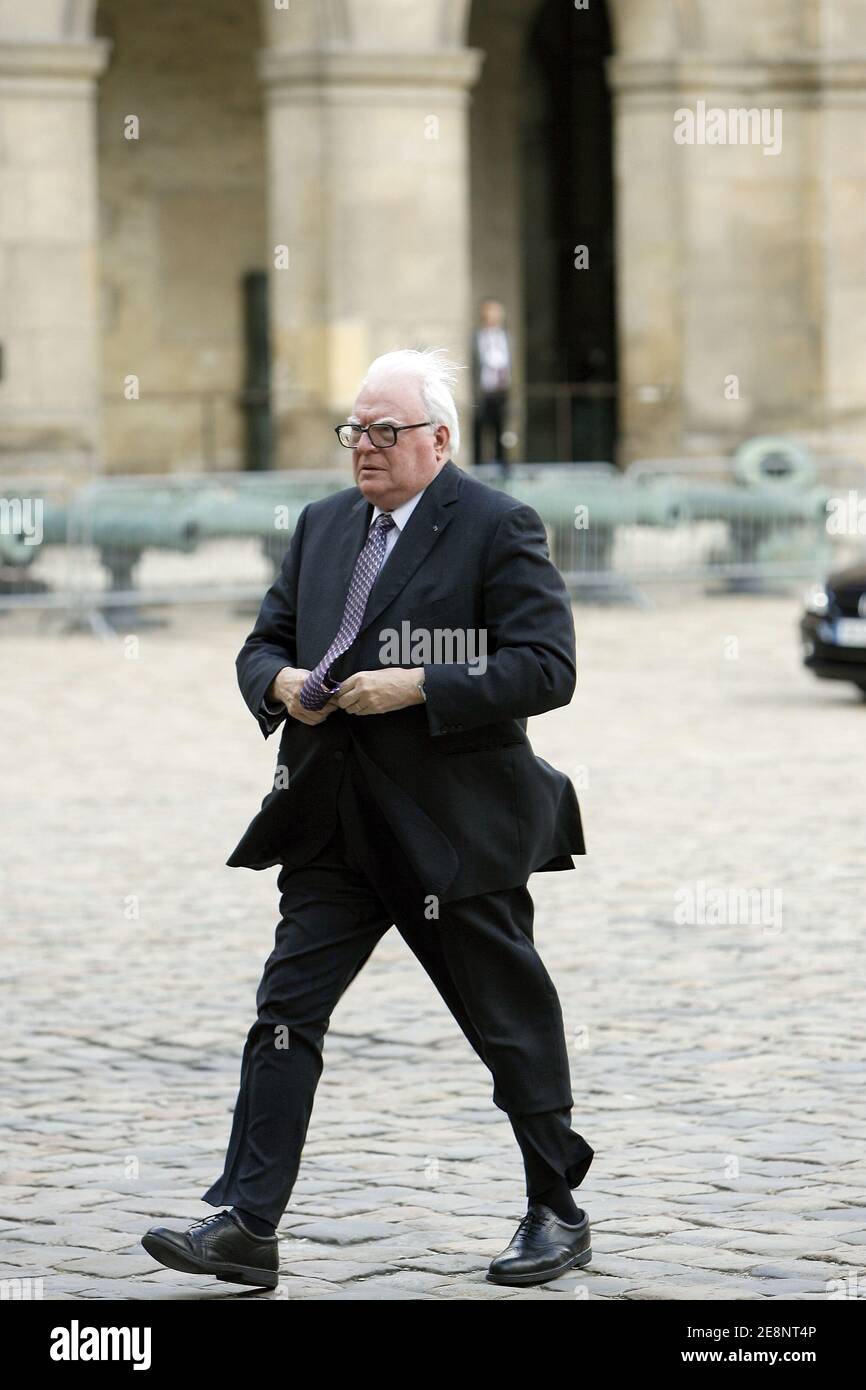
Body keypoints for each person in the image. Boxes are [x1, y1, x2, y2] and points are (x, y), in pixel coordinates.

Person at [142, 348, 593, 1290]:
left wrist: (420, 685)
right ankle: (247, 1222)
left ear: (439, 439)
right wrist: (282, 683)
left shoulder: (497, 526)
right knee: (284, 1013)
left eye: (385, 432)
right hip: (333, 820)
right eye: (355, 430)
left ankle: (556, 1208)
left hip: (454, 829)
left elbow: (546, 668)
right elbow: (263, 639)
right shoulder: (321, 525)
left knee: (506, 1026)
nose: (365, 449)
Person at [471, 298, 513, 474]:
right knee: (481, 429)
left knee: (501, 429)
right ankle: (479, 467)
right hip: (483, 391)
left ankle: (503, 466)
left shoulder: (506, 337)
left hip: (501, 390)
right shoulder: (477, 337)